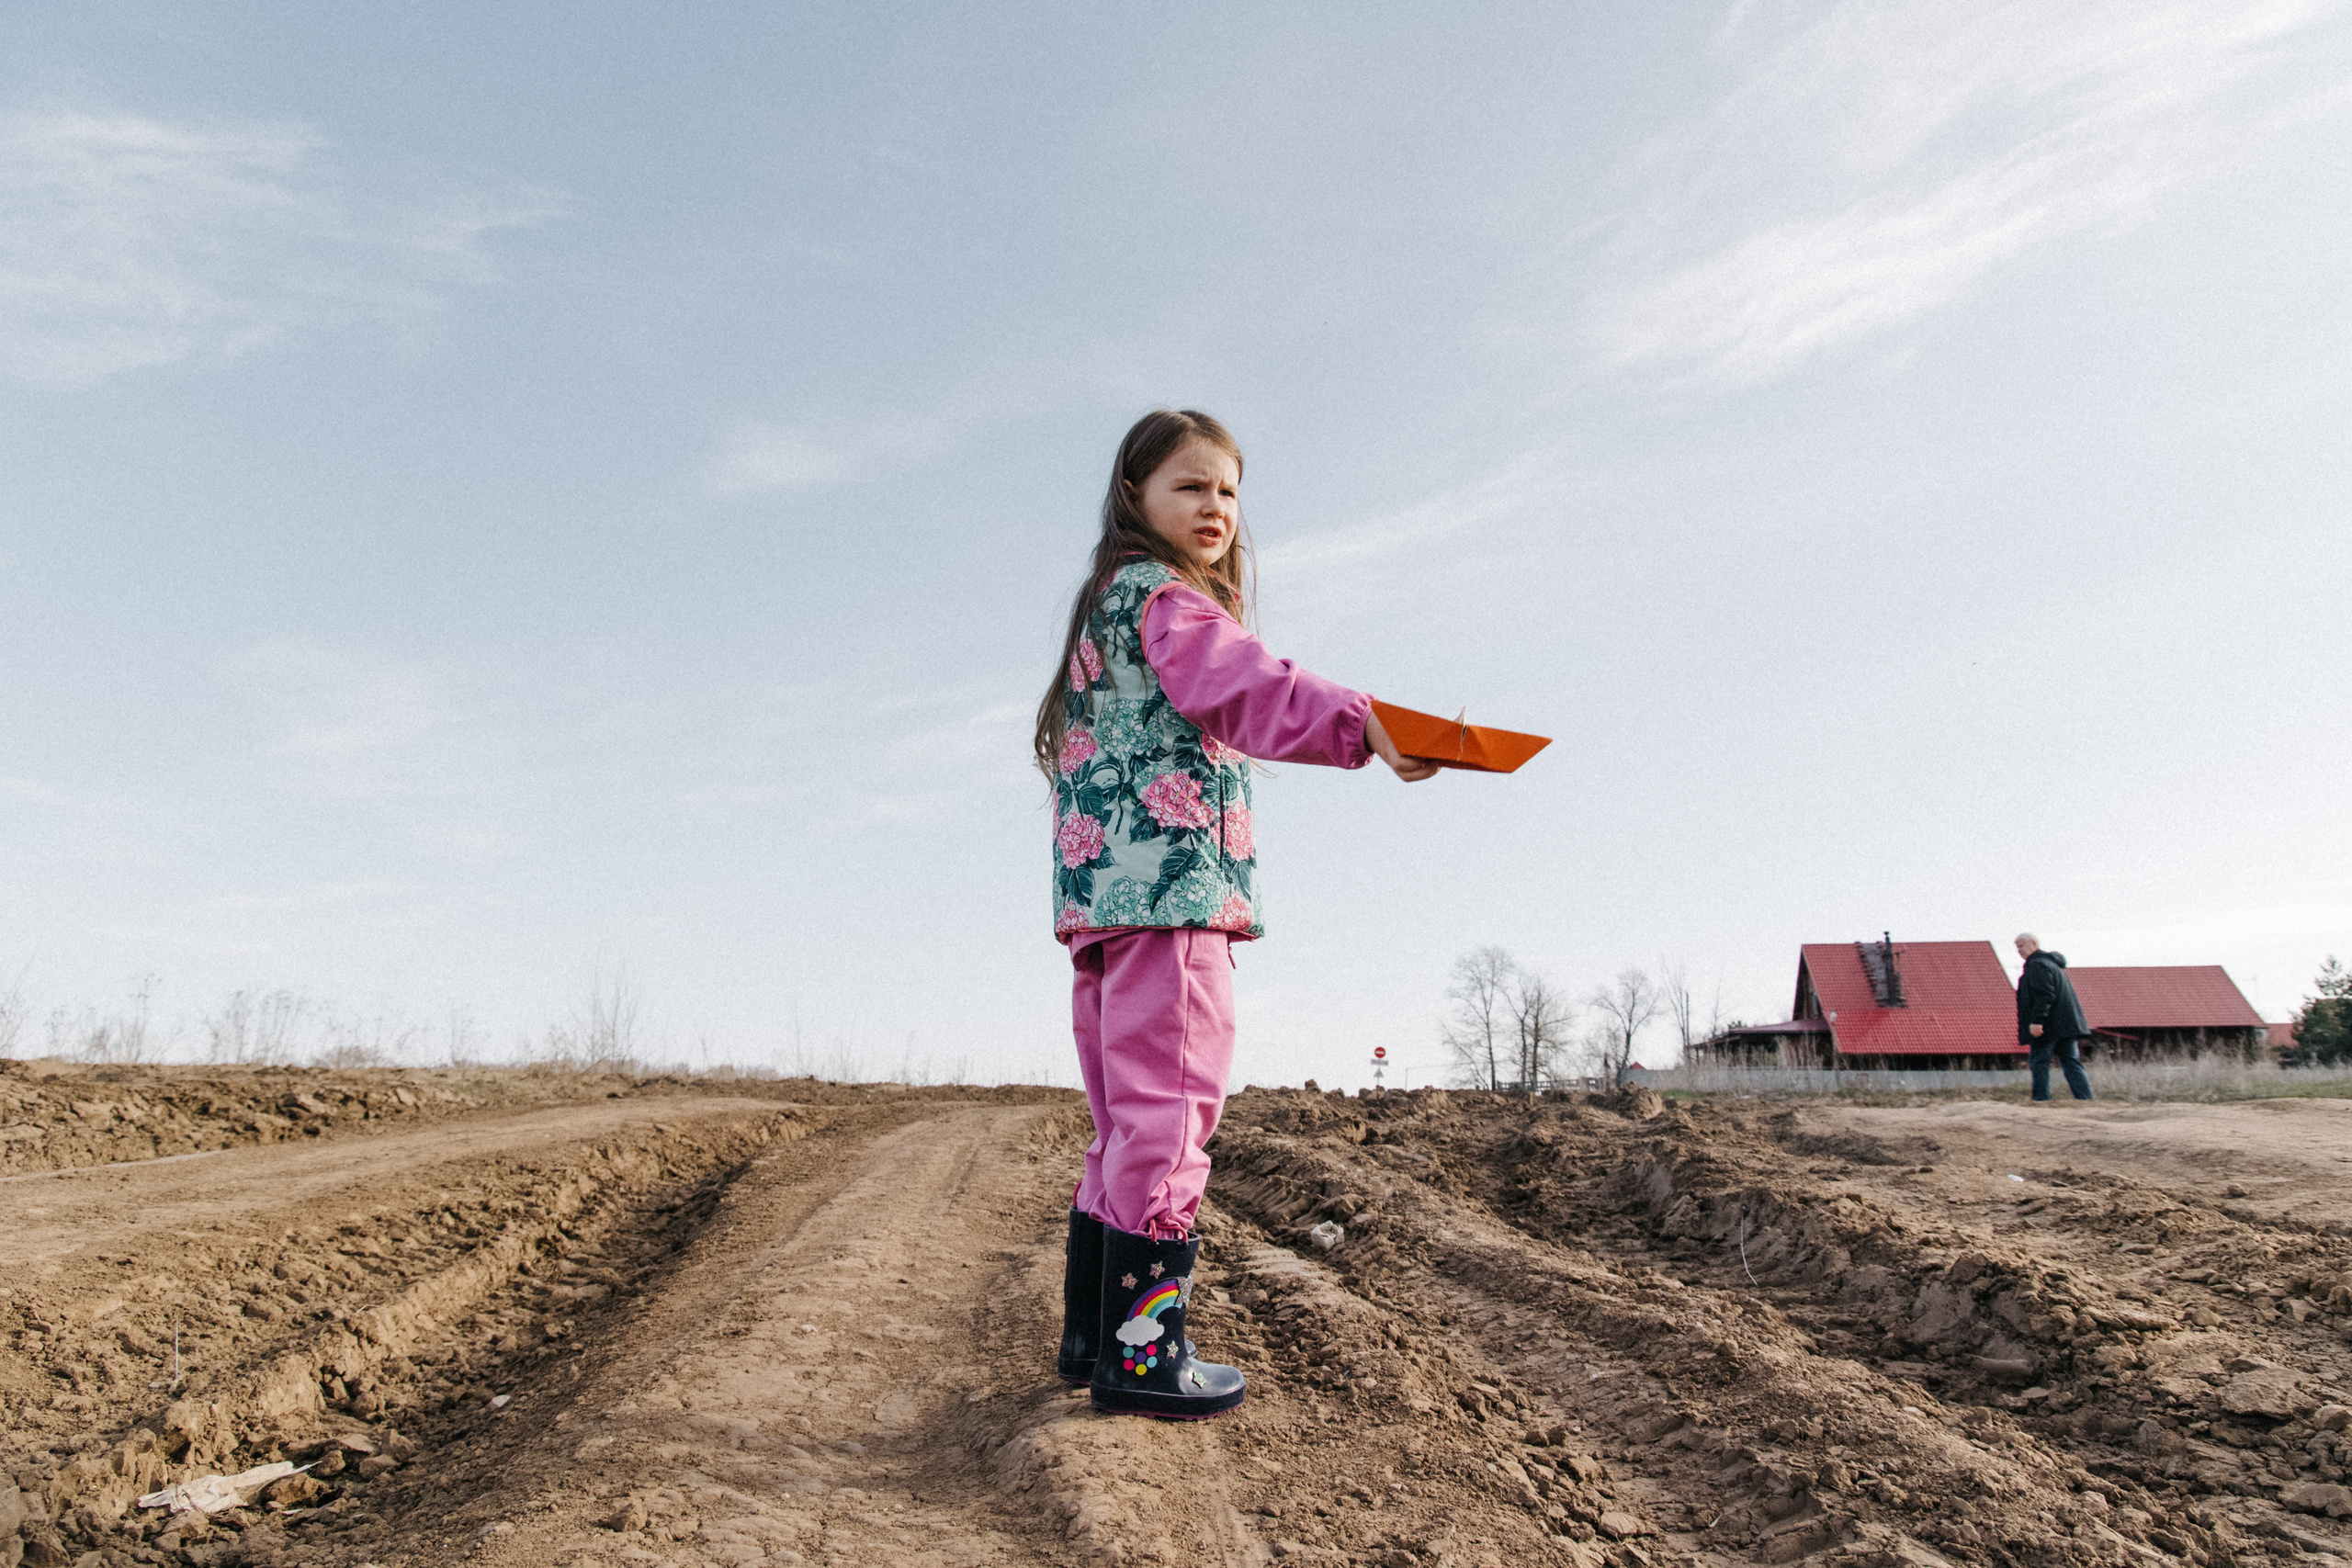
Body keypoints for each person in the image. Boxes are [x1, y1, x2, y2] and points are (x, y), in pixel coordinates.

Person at [1035, 410, 1437, 1419]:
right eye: (1189, 487)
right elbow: (1247, 686)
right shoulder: (1166, 604)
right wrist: (1368, 726)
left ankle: (1095, 1340)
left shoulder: (1107, 609)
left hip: (1107, 905)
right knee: (1171, 1118)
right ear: (1135, 499)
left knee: (1125, 1125)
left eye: (1226, 490)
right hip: (1170, 901)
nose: (1214, 507)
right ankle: (1143, 1359)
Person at [2015, 932, 2094, 1102]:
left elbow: (2045, 995)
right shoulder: (2054, 965)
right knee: (2071, 1062)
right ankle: (2085, 1100)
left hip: (2048, 1026)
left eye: (2021, 946)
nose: (2019, 950)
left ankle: (2041, 1100)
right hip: (2066, 1025)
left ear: (2034, 944)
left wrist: (2037, 1021)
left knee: (2039, 1062)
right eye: (2017, 947)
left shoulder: (2037, 965)